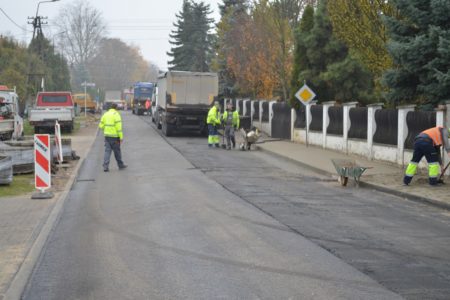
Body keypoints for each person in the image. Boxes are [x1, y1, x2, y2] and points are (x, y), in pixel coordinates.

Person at [99, 103, 127, 172]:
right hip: (115, 137)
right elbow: (119, 128)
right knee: (117, 152)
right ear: (116, 108)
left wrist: (105, 129)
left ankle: (105, 167)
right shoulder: (116, 115)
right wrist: (121, 137)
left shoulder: (105, 114)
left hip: (107, 136)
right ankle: (120, 165)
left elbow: (100, 125)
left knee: (107, 152)